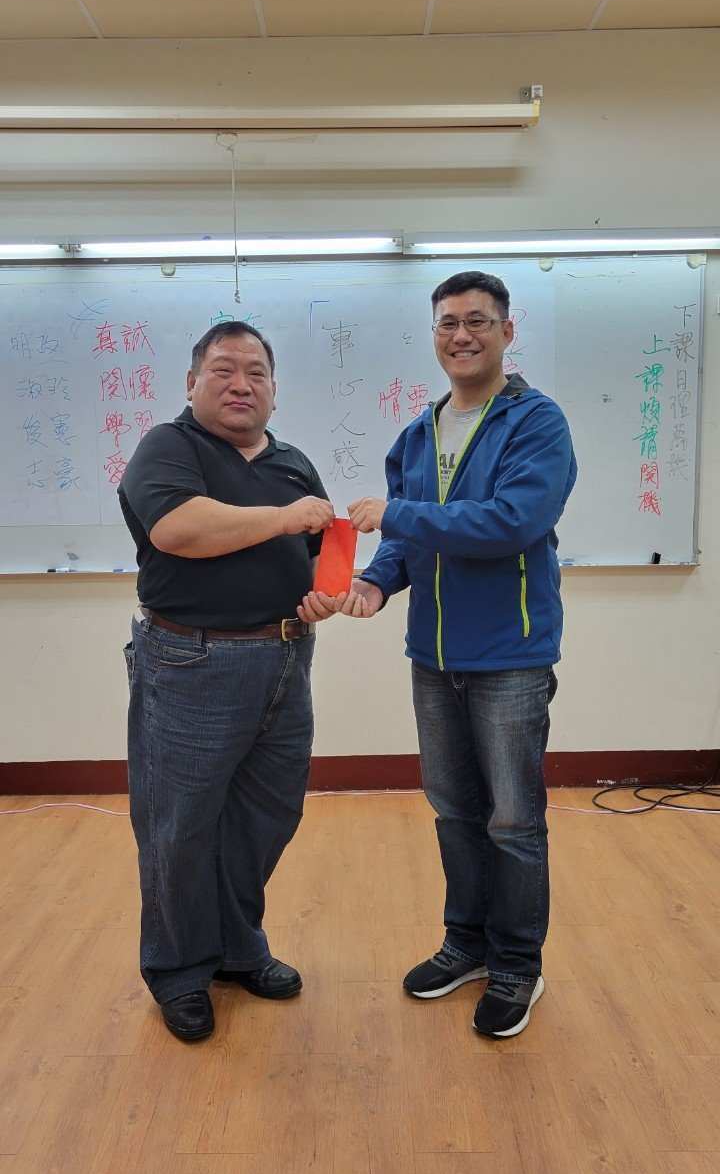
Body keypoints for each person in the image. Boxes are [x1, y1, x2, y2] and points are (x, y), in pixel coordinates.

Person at [311, 270, 577, 1039]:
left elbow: (510, 522)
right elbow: (406, 541)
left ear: (506, 331)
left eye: (477, 321)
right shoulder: (416, 435)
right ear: (434, 336)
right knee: (455, 812)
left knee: (513, 821)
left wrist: (399, 514)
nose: (462, 335)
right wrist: (374, 582)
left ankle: (517, 966)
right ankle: (467, 944)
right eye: (448, 323)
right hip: (432, 657)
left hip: (511, 658)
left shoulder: (536, 423)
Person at [119, 321, 334, 1041]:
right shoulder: (169, 447)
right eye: (223, 370)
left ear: (274, 388)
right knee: (179, 827)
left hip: (286, 659)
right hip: (190, 662)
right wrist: (283, 519)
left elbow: (318, 556)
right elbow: (179, 529)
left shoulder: (294, 464)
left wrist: (325, 594)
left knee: (264, 816)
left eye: (256, 372)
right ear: (192, 383)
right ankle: (180, 971)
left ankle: (239, 949)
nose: (241, 384)